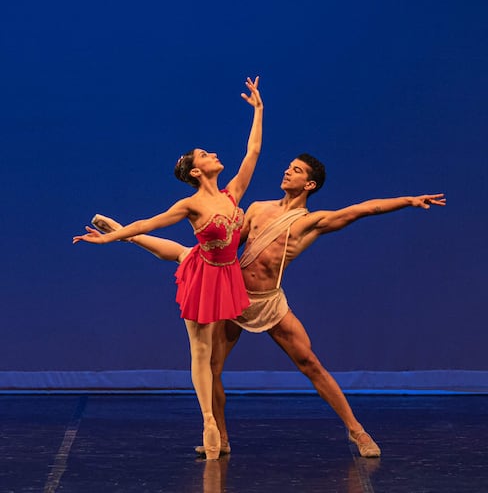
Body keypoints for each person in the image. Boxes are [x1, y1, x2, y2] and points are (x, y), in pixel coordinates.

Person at [90, 154, 446, 458]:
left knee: (310, 363)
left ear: (310, 185)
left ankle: (357, 430)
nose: (288, 172)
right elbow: (226, 243)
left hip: (268, 303)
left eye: (297, 171)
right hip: (233, 296)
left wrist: (408, 200)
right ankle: (222, 438)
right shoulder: (257, 209)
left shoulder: (310, 221)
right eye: (289, 167)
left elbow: (361, 210)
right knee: (212, 366)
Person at [73, 76, 263, 460]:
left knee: (179, 253)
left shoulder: (232, 193)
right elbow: (151, 222)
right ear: (196, 171)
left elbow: (253, 152)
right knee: (200, 349)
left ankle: (119, 232)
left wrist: (259, 109)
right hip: (204, 274)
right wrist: (111, 239)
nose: (213, 154)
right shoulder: (190, 204)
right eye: (205, 155)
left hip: (220, 270)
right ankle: (208, 420)